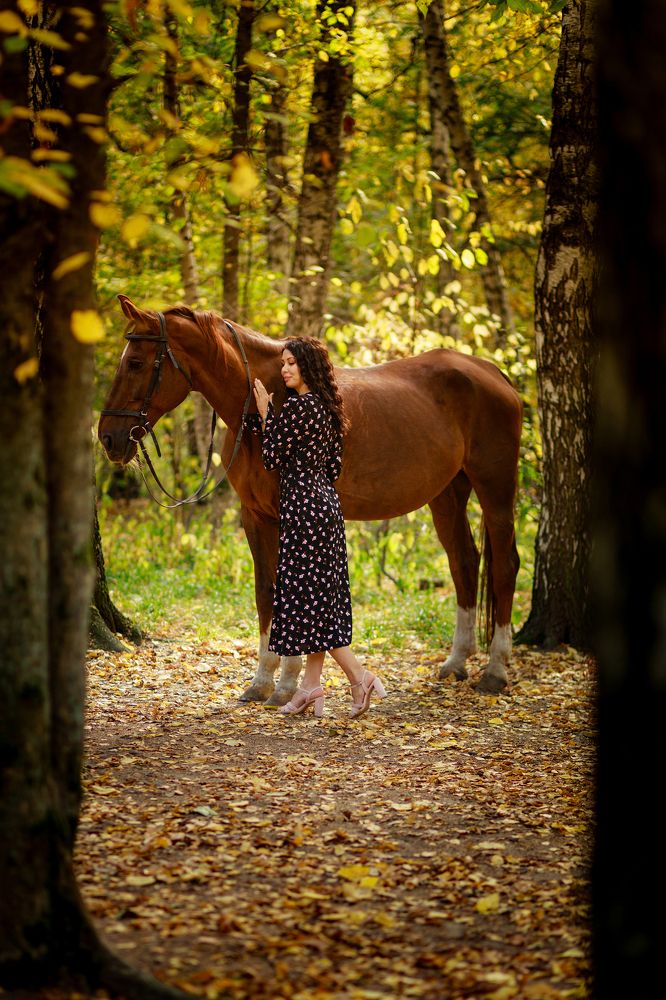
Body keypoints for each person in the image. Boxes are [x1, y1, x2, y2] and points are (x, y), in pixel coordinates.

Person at [250, 337, 386, 719]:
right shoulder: (328, 409)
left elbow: (273, 457)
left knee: (310, 604)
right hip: (326, 506)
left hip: (305, 510)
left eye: (292, 362)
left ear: (308, 367)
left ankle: (360, 676)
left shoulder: (296, 407)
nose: (285, 369)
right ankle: (310, 687)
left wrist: (265, 414)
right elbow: (333, 468)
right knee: (320, 601)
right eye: (283, 363)